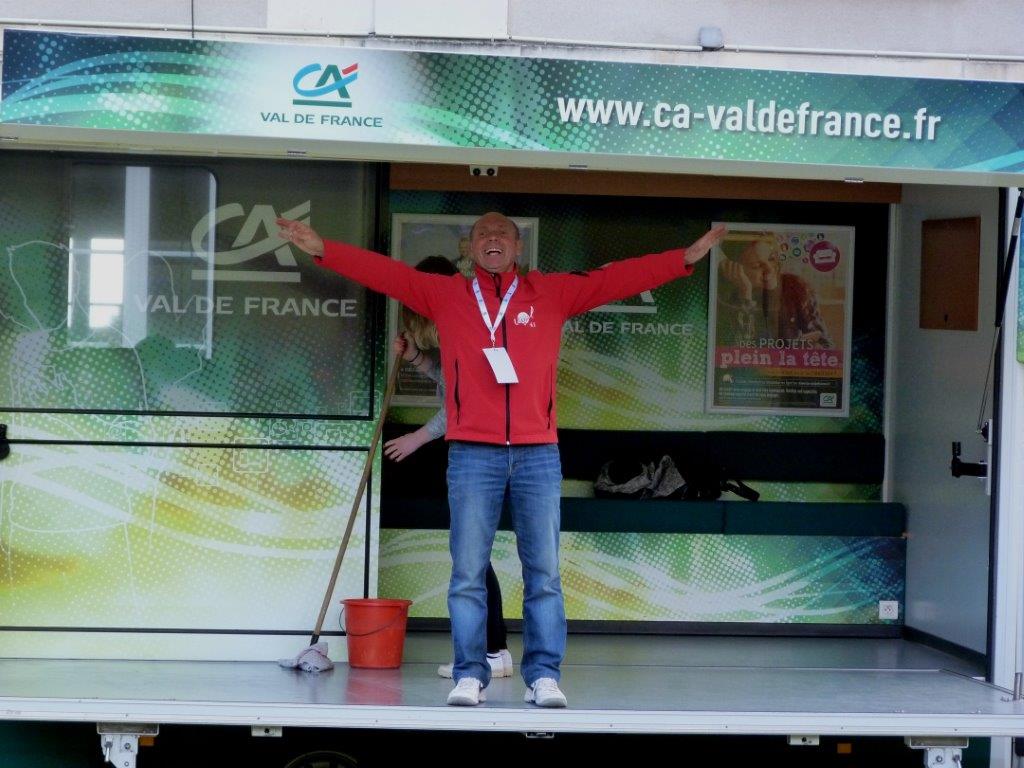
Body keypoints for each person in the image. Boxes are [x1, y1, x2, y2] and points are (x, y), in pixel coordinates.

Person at [277, 211, 726, 708]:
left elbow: (614, 279)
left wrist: (682, 259)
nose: (493, 239)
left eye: (503, 234)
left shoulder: (550, 293)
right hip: (473, 453)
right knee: (468, 572)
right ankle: (470, 675)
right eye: (484, 234)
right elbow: (386, 274)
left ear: (517, 247)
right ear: (470, 249)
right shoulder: (445, 294)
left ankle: (544, 677)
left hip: (538, 453)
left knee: (544, 573)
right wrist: (323, 249)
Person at [382, 255, 513, 680]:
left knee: (472, 555)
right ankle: (492, 649)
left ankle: (490, 651)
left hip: (487, 450)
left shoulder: (471, 321)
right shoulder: (457, 321)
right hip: (474, 449)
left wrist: (417, 438)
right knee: (472, 554)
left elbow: (462, 400)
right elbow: (449, 378)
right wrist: (417, 357)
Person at [717, 234, 833, 349]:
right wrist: (745, 296)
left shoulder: (796, 288)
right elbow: (735, 351)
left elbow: (825, 344)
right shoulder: (725, 299)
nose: (770, 269)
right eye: (757, 266)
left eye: (771, 259)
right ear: (734, 269)